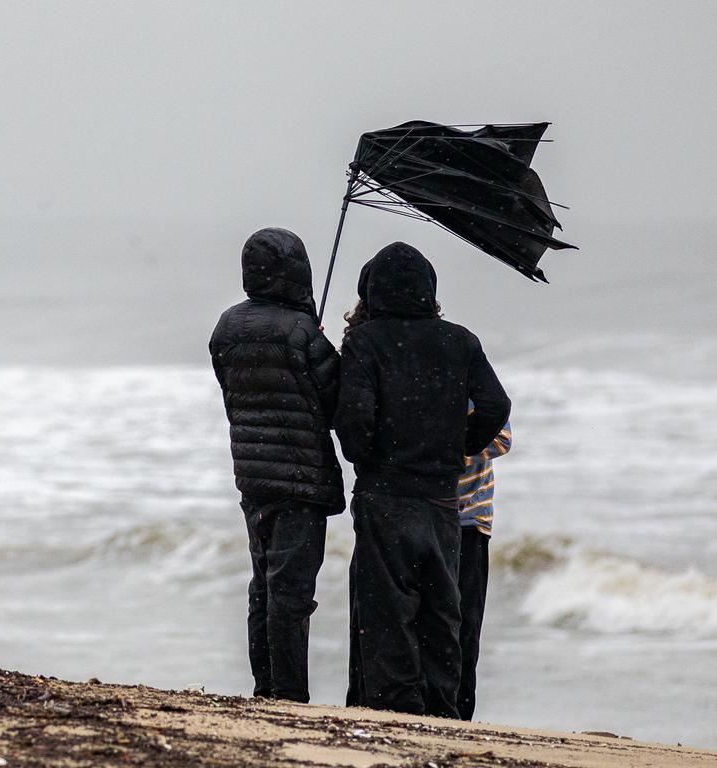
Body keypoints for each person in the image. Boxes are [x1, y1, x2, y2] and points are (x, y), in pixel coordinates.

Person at [335, 241, 511, 718]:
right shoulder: (460, 341)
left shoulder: (366, 342)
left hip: (385, 495)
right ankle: (442, 713)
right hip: (441, 502)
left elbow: (353, 420)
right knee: (441, 613)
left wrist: (369, 455)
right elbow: (497, 408)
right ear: (428, 289)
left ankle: (394, 711)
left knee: (389, 612)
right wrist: (452, 450)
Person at [209, 227, 345, 703]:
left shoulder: (226, 327)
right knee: (290, 590)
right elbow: (335, 403)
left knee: (262, 585)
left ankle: (266, 686)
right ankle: (289, 692)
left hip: (253, 475)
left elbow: (236, 394)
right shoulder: (302, 333)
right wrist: (318, 339)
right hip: (300, 480)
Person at [456, 418, 512, 721]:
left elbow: (502, 439)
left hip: (469, 521)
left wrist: (443, 446)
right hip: (426, 511)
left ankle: (459, 713)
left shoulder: (471, 377)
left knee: (464, 625)